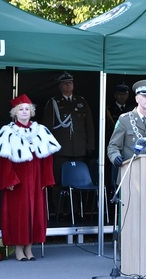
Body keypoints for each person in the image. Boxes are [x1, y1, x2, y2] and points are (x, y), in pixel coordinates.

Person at [0, 94, 60, 261]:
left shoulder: (40, 130)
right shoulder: (8, 131)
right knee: (18, 214)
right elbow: (3, 160)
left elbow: (47, 158)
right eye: (21, 109)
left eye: (27, 109)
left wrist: (45, 179)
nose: (24, 112)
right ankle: (18, 248)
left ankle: (30, 248)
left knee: (35, 213)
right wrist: (9, 180)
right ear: (15, 112)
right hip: (17, 180)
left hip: (35, 179)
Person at [42, 72, 95, 215]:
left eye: (70, 82)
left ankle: (76, 211)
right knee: (58, 182)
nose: (68, 85)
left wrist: (90, 145)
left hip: (78, 149)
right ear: (60, 86)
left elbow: (89, 125)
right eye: (65, 83)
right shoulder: (53, 102)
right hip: (60, 150)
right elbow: (47, 127)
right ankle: (58, 211)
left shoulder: (81, 101)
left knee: (78, 183)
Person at [107, 80, 146, 171]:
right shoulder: (125, 119)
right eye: (145, 96)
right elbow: (113, 146)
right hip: (130, 171)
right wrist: (115, 157)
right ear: (137, 98)